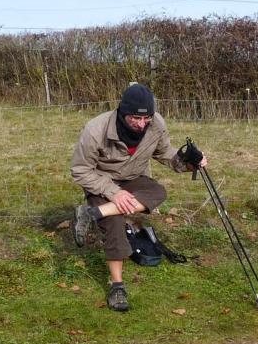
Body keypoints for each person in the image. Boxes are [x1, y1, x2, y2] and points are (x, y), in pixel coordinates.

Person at [70, 82, 206, 312]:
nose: (142, 124)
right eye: (136, 118)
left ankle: (91, 213)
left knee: (158, 192)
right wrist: (114, 192)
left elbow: (165, 154)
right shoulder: (96, 130)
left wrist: (189, 162)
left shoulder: (156, 125)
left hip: (133, 177)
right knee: (113, 222)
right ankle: (117, 286)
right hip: (102, 181)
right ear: (123, 111)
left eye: (147, 119)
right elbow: (81, 170)